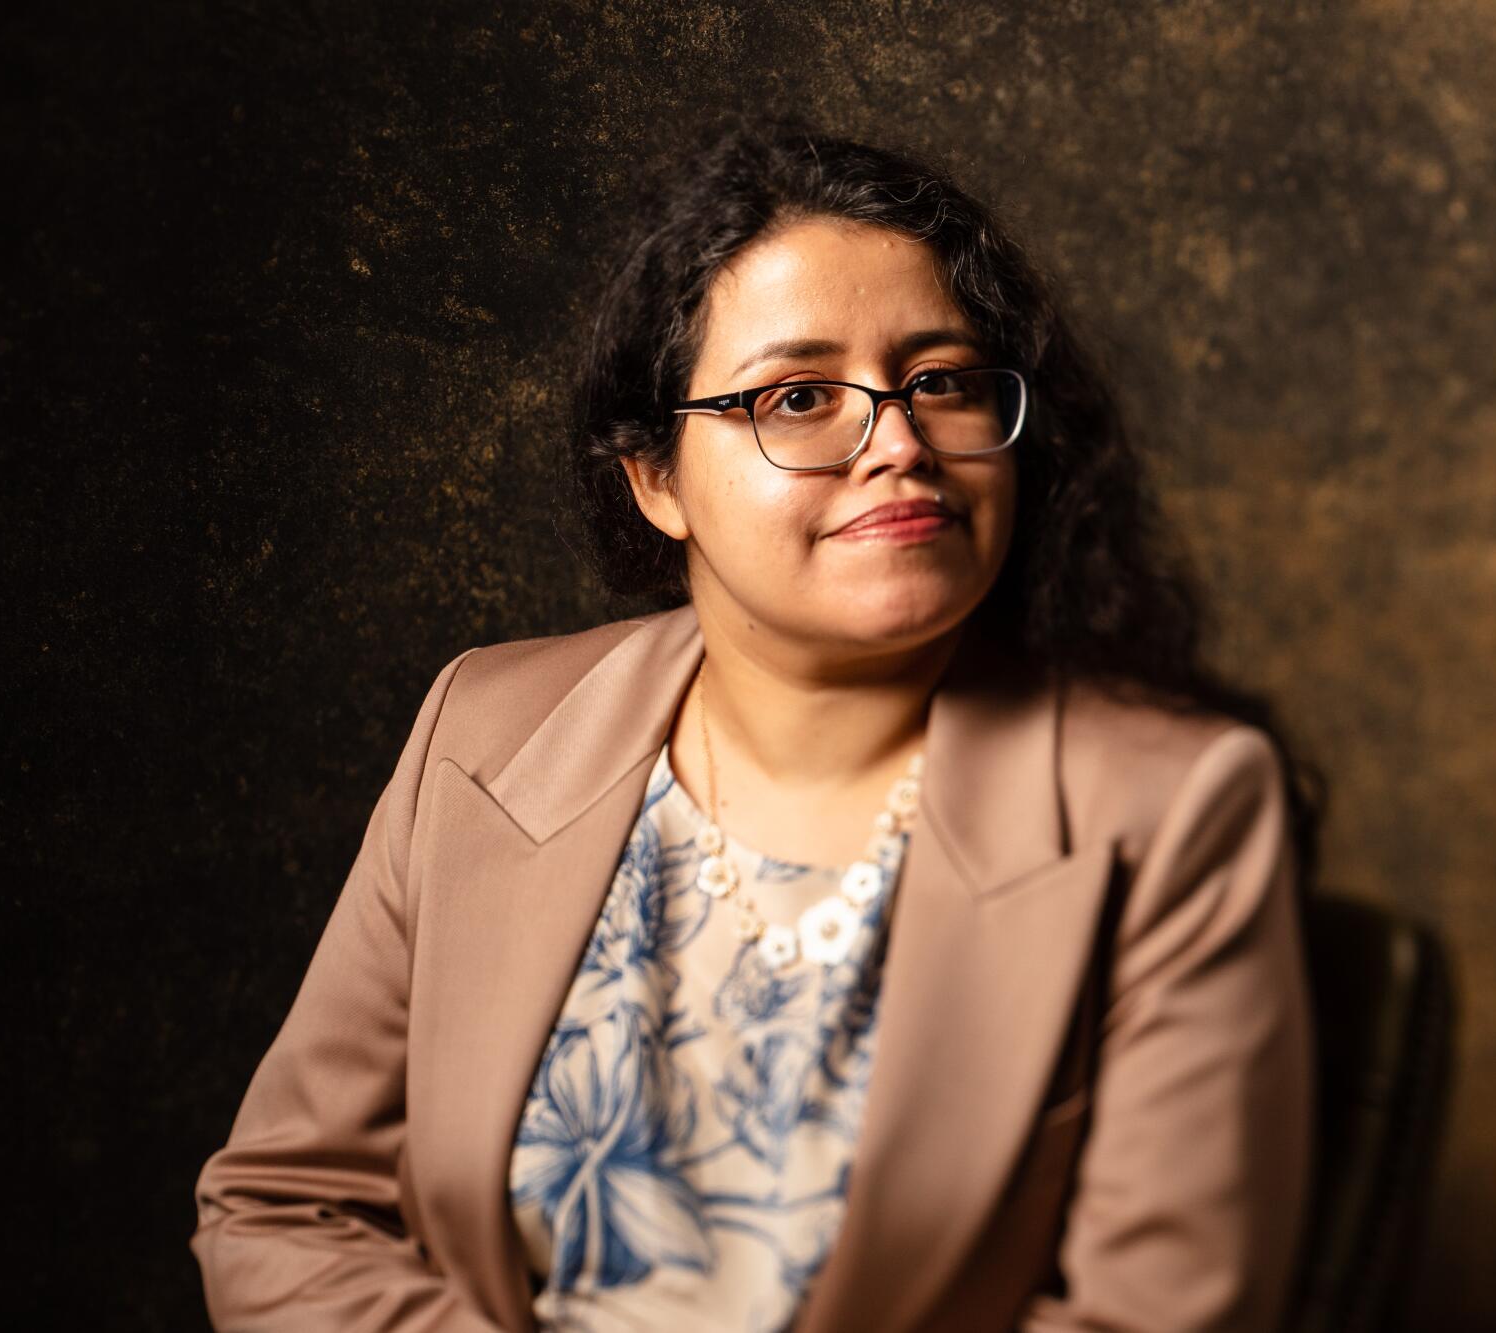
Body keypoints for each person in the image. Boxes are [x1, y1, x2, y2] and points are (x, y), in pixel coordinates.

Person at [190, 114, 1322, 1333]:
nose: (897, 444)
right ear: (655, 478)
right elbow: (282, 1206)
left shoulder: (1174, 804)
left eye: (937, 381)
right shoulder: (486, 728)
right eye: (797, 396)